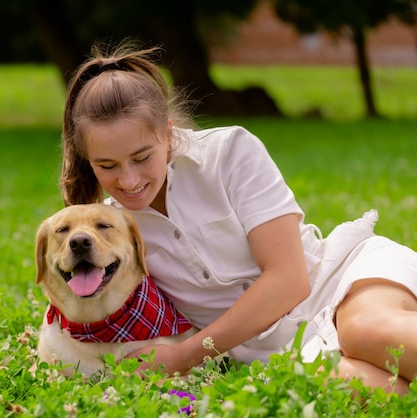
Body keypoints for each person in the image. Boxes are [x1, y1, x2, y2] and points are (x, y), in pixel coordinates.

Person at [59, 42, 417, 394]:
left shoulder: (228, 152)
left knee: (364, 332)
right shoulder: (109, 232)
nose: (129, 180)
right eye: (107, 166)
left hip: (335, 283)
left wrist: (183, 356)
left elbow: (290, 279)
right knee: (347, 385)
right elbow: (81, 306)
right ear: (89, 159)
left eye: (141, 157)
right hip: (278, 352)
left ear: (167, 135)